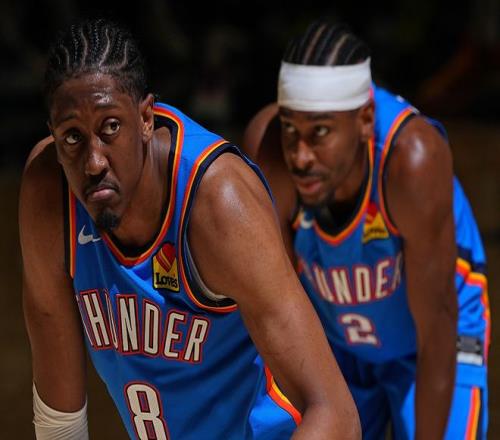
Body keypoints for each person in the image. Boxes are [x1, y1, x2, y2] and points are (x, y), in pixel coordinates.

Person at [19, 18, 361, 440]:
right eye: (72, 137)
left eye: (111, 127)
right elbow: (60, 423)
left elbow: (336, 414)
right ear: (53, 138)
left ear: (146, 117)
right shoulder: (49, 196)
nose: (94, 162)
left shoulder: (218, 204)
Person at [243, 21, 489, 440]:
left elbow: (436, 330)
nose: (300, 156)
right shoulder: (269, 156)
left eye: (320, 132)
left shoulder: (413, 161)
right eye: (290, 129)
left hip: (431, 343)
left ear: (365, 119)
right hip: (334, 342)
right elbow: (277, 310)